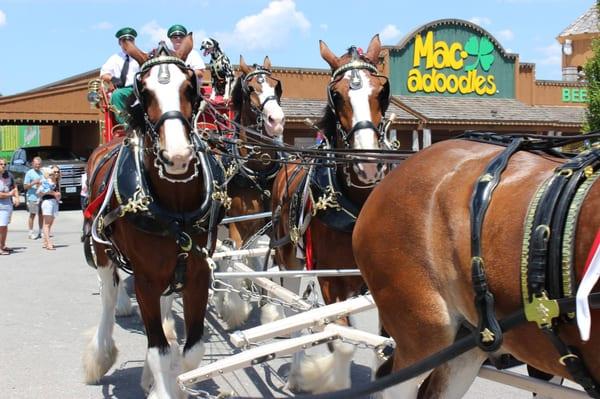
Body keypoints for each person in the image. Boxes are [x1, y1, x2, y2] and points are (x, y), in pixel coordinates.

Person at [100, 27, 140, 125]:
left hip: (139, 88)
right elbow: (103, 74)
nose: (127, 43)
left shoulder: (141, 55)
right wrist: (112, 78)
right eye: (124, 41)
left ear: (134, 41)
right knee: (116, 95)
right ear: (119, 43)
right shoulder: (114, 58)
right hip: (122, 90)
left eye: (130, 40)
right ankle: (126, 126)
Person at [37, 166, 61, 250]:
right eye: (54, 172)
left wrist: (57, 196)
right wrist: (53, 193)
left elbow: (57, 193)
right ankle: (49, 243)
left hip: (54, 203)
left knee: (49, 224)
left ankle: (45, 241)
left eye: (58, 172)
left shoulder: (57, 181)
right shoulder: (46, 181)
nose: (56, 174)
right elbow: (40, 193)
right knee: (47, 224)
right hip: (47, 202)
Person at [0, 159, 19, 255]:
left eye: (5, 164)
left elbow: (14, 186)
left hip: (7, 205)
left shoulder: (9, 175)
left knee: (5, 227)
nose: (3, 166)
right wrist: (9, 194)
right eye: (1, 164)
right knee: (1, 226)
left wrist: (17, 197)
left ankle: (3, 245)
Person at [23, 156, 44, 239]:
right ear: (32, 164)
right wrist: (33, 183)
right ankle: (30, 233)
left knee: (41, 215)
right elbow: (25, 187)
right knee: (32, 214)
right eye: (35, 164)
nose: (37, 166)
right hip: (32, 197)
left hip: (41, 197)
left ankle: (41, 231)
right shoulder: (29, 173)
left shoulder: (42, 172)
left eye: (39, 164)